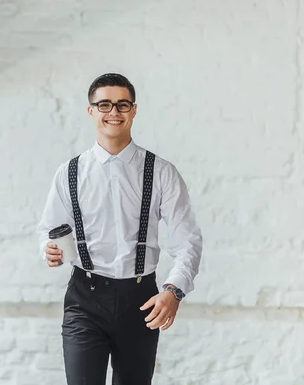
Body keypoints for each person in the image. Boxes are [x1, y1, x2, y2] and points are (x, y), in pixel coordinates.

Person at [36, 73, 203, 384]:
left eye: (122, 104)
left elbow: (188, 240)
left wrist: (174, 291)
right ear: (91, 111)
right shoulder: (70, 173)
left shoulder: (162, 173)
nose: (113, 112)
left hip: (140, 298)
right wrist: (50, 249)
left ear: (134, 110)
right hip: (85, 298)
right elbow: (48, 230)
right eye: (104, 105)